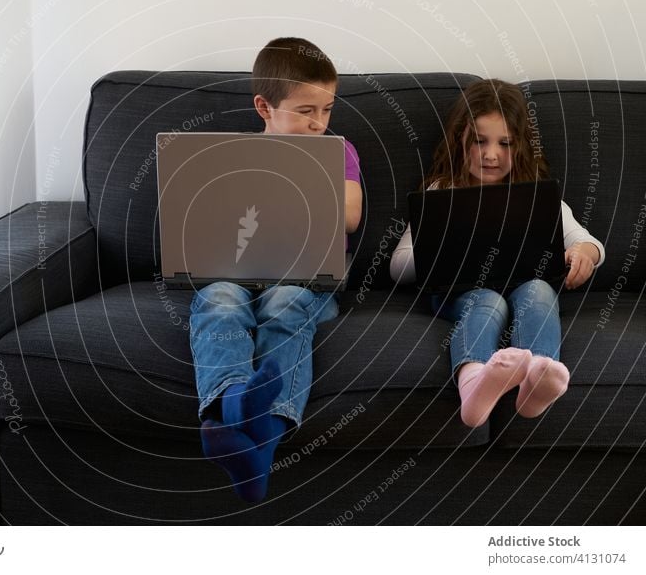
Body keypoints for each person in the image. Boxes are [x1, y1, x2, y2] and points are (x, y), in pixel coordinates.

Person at [191, 37, 362, 502]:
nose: (319, 123)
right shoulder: (231, 158)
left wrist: (302, 175)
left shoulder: (338, 152)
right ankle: (233, 405)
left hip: (307, 278)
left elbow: (350, 216)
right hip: (236, 272)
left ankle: (250, 434)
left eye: (327, 109)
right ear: (264, 108)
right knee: (217, 301)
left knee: (286, 302)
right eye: (306, 111)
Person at [390, 79, 605, 427]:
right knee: (489, 301)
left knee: (539, 290)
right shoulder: (443, 190)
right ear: (460, 141)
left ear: (520, 147)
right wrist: (439, 242)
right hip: (460, 292)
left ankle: (537, 376)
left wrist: (586, 252)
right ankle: (474, 382)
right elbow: (398, 267)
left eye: (504, 144)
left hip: (523, 285)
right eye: (479, 141)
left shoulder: (533, 193)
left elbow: (588, 241)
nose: (491, 155)